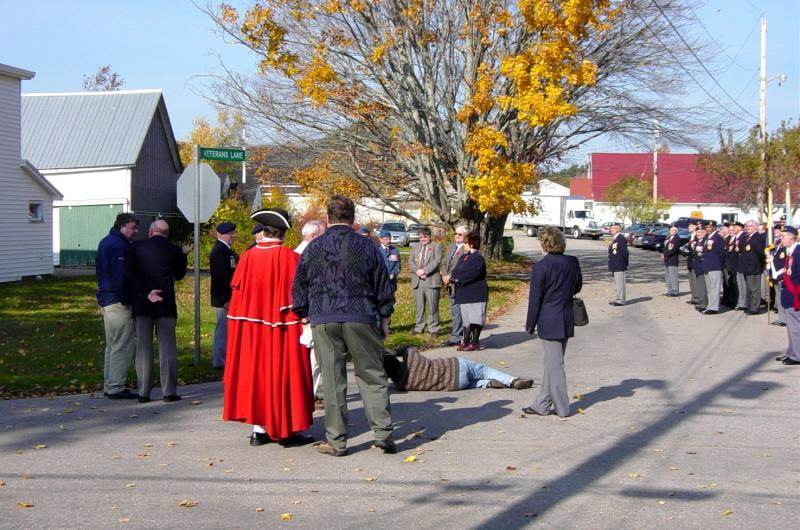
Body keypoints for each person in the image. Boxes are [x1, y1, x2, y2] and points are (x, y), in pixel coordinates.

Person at [292, 195, 397, 457]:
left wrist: (303, 314)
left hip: (324, 317)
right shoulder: (369, 246)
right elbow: (383, 284)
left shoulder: (313, 248)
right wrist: (385, 317)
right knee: (372, 374)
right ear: (353, 219)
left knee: (332, 378)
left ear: (329, 218)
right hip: (361, 315)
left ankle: (337, 440)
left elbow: (300, 284)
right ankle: (382, 433)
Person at [223, 208, 315, 447]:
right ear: (283, 233)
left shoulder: (247, 256)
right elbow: (300, 297)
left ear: (264, 231)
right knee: (283, 374)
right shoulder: (289, 257)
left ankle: (258, 430)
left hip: (251, 330)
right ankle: (284, 431)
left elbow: (237, 294)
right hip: (281, 327)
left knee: (256, 375)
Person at [126, 220, 189, 403]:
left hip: (143, 302)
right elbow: (179, 274)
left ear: (151, 231)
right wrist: (184, 255)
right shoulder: (174, 249)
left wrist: (146, 292)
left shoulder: (136, 247)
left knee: (143, 347)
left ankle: (143, 392)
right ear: (167, 233)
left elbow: (129, 273)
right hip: (165, 302)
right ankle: (168, 391)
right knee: (167, 346)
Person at [524, 227, 582, 418]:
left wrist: (529, 325)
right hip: (566, 316)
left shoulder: (541, 266)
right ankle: (541, 403)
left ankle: (563, 407)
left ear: (544, 243)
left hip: (549, 319)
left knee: (555, 364)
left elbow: (535, 299)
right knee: (552, 362)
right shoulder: (572, 261)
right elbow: (577, 286)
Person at [96, 212, 140, 399]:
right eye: (133, 228)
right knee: (122, 344)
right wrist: (126, 299)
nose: (136, 231)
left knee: (112, 344)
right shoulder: (119, 246)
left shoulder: (107, 241)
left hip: (107, 298)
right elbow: (121, 275)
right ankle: (115, 386)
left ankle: (110, 383)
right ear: (123, 226)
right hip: (117, 300)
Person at [384, 346, 533, 391]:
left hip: (454, 385)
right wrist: (396, 351)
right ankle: (512, 381)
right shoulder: (412, 360)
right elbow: (410, 348)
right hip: (455, 367)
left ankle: (487, 384)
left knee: (471, 383)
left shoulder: (401, 385)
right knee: (483, 369)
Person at [295, 220, 327, 406]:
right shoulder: (304, 254)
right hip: (309, 313)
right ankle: (309, 394)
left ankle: (311, 393)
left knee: (315, 357)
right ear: (314, 236)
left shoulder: (307, 252)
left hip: (311, 311)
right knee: (313, 357)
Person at [449, 230, 488, 351]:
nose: (463, 245)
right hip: (464, 293)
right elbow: (456, 270)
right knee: (466, 320)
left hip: (476, 294)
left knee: (476, 319)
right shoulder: (464, 257)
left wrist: (458, 279)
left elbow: (473, 273)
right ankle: (465, 340)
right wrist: (454, 277)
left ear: (471, 244)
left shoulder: (478, 258)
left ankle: (475, 342)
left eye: (465, 243)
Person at [209, 222, 238, 371]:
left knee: (226, 329)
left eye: (233, 233)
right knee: (222, 329)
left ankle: (224, 357)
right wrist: (226, 298)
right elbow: (220, 277)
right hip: (223, 299)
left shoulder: (227, 250)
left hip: (228, 297)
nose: (232, 236)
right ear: (220, 234)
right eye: (229, 234)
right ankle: (219, 360)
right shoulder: (219, 251)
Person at [770, 226, 800, 365]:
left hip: (795, 295)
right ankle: (792, 352)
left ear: (792, 236)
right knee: (792, 327)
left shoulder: (798, 252)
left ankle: (797, 356)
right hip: (789, 294)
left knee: (795, 327)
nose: (781, 238)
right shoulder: (790, 251)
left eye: (783, 236)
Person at [409, 226, 443, 333]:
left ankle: (434, 328)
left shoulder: (436, 246)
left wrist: (425, 271)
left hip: (431, 280)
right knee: (419, 306)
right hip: (418, 281)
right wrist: (418, 271)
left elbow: (437, 261)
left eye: (425, 237)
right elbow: (410, 261)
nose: (423, 239)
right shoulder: (415, 247)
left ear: (429, 236)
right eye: (421, 237)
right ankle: (419, 327)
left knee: (433, 306)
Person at [441, 226, 468, 347]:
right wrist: (444, 275)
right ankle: (456, 335)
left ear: (466, 236)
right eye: (455, 234)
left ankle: (461, 336)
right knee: (455, 310)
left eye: (460, 234)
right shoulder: (451, 247)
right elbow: (444, 262)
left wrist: (450, 277)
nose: (457, 236)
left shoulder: (467, 249)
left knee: (463, 311)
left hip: (460, 284)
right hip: (450, 284)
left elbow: (464, 267)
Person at [740, 220, 766, 314]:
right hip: (746, 267)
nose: (748, 228)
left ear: (755, 227)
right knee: (749, 288)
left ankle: (755, 307)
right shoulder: (746, 237)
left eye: (750, 226)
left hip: (754, 267)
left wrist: (759, 265)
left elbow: (761, 254)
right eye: (746, 226)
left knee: (754, 289)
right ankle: (750, 305)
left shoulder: (757, 237)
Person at [701, 222, 725, 314]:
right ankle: (709, 306)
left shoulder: (717, 238)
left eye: (710, 227)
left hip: (715, 266)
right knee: (710, 288)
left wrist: (719, 264)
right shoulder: (708, 237)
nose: (708, 229)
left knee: (714, 288)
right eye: (706, 227)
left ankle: (714, 308)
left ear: (714, 228)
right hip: (707, 266)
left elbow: (721, 252)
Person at [768, 226, 786, 326]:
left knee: (783, 298)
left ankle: (785, 319)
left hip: (782, 276)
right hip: (776, 276)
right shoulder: (777, 245)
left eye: (782, 234)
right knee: (778, 298)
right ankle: (781, 317)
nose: (781, 237)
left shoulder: (786, 248)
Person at [607, 223, 628, 306]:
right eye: (611, 228)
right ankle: (617, 298)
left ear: (619, 229)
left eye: (614, 228)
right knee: (617, 283)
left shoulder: (620, 238)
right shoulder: (615, 238)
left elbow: (625, 253)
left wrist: (625, 264)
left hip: (619, 264)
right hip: (614, 264)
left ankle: (620, 300)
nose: (612, 230)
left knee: (620, 283)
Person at [691, 223, 708, 311]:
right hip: (697, 267)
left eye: (700, 232)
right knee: (699, 286)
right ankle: (701, 302)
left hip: (702, 267)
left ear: (705, 232)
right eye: (697, 232)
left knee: (703, 287)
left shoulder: (706, 241)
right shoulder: (698, 241)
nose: (698, 233)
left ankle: (703, 304)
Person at [732, 222, 747, 309]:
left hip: (741, 264)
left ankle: (743, 303)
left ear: (741, 228)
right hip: (737, 264)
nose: (734, 228)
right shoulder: (737, 237)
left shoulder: (743, 236)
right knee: (740, 285)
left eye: (736, 227)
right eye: (734, 227)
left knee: (743, 285)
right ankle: (741, 302)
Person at [662, 225, 680, 297]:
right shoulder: (669, 238)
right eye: (671, 230)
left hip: (672, 259)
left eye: (674, 230)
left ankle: (675, 291)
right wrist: (663, 254)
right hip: (667, 259)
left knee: (673, 276)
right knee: (668, 276)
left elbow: (673, 250)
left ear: (677, 231)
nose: (672, 231)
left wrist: (665, 255)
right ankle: (669, 290)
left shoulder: (676, 238)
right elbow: (666, 248)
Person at [686, 221, 699, 305]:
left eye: (691, 226)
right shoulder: (690, 236)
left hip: (695, 261)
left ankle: (697, 298)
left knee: (696, 280)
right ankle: (693, 297)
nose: (689, 227)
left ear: (695, 227)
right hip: (690, 260)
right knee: (691, 280)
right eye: (689, 226)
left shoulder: (697, 236)